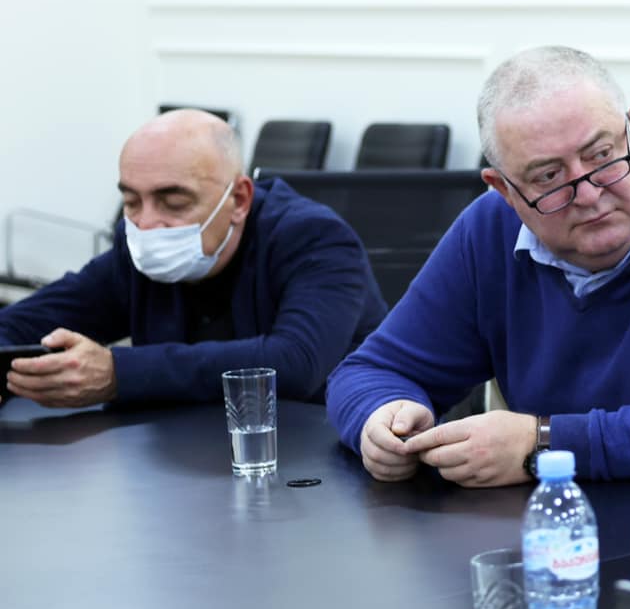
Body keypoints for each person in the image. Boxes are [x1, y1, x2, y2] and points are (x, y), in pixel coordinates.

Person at [325, 46, 630, 485]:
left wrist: (543, 442)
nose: (588, 193)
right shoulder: (489, 229)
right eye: (548, 177)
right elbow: (371, 370)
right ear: (504, 190)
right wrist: (384, 418)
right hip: (558, 523)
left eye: (603, 155)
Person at [0, 109, 384, 408]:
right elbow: (21, 325)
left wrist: (118, 373)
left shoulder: (315, 238)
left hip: (313, 454)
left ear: (239, 200)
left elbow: (294, 363)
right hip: (177, 458)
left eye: (173, 201)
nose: (147, 223)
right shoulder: (133, 248)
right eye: (131, 201)